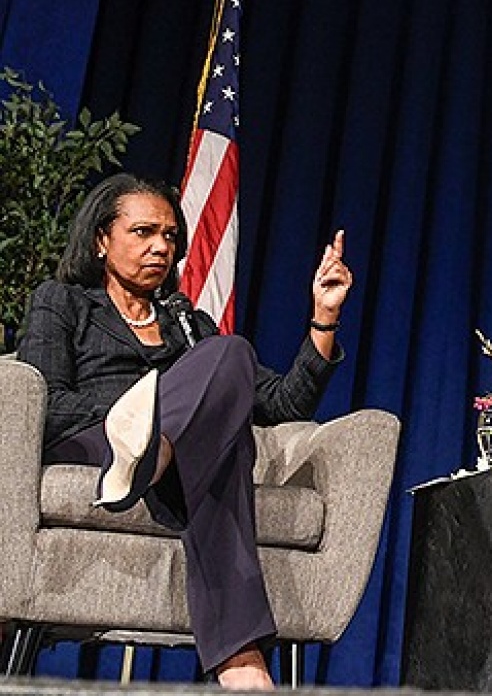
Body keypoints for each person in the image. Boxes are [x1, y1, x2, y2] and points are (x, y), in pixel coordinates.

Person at [16, 173, 352, 690]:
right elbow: (49, 405)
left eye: (171, 236)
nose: (161, 247)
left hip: (164, 466)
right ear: (102, 240)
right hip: (93, 444)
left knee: (232, 356)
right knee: (224, 450)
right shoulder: (63, 302)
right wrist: (136, 411)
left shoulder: (186, 323)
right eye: (144, 232)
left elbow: (284, 403)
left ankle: (157, 453)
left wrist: (323, 319)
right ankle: (241, 660)